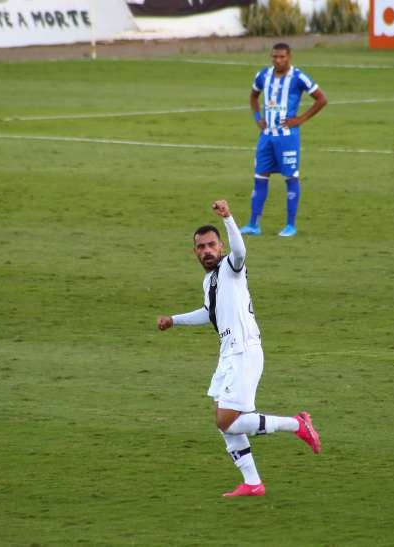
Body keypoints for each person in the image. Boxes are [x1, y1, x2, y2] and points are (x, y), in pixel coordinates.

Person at [157, 200, 322, 497]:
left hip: (244, 351)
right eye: (201, 247)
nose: (207, 251)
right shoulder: (210, 279)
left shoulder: (231, 268)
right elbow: (209, 313)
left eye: (211, 245)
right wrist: (174, 320)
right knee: (223, 420)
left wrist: (229, 218)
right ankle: (252, 482)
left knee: (227, 421)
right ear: (195, 252)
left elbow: (241, 252)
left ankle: (296, 425)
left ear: (220, 247)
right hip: (229, 352)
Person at [239, 43, 327, 238]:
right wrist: (257, 118)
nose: (278, 60)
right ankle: (253, 224)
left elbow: (321, 99)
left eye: (281, 57)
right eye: (274, 57)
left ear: (289, 57)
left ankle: (290, 225)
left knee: (291, 178)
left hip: (288, 138)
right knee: (260, 178)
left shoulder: (298, 77)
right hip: (266, 137)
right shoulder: (263, 75)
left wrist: (300, 119)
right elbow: (253, 96)